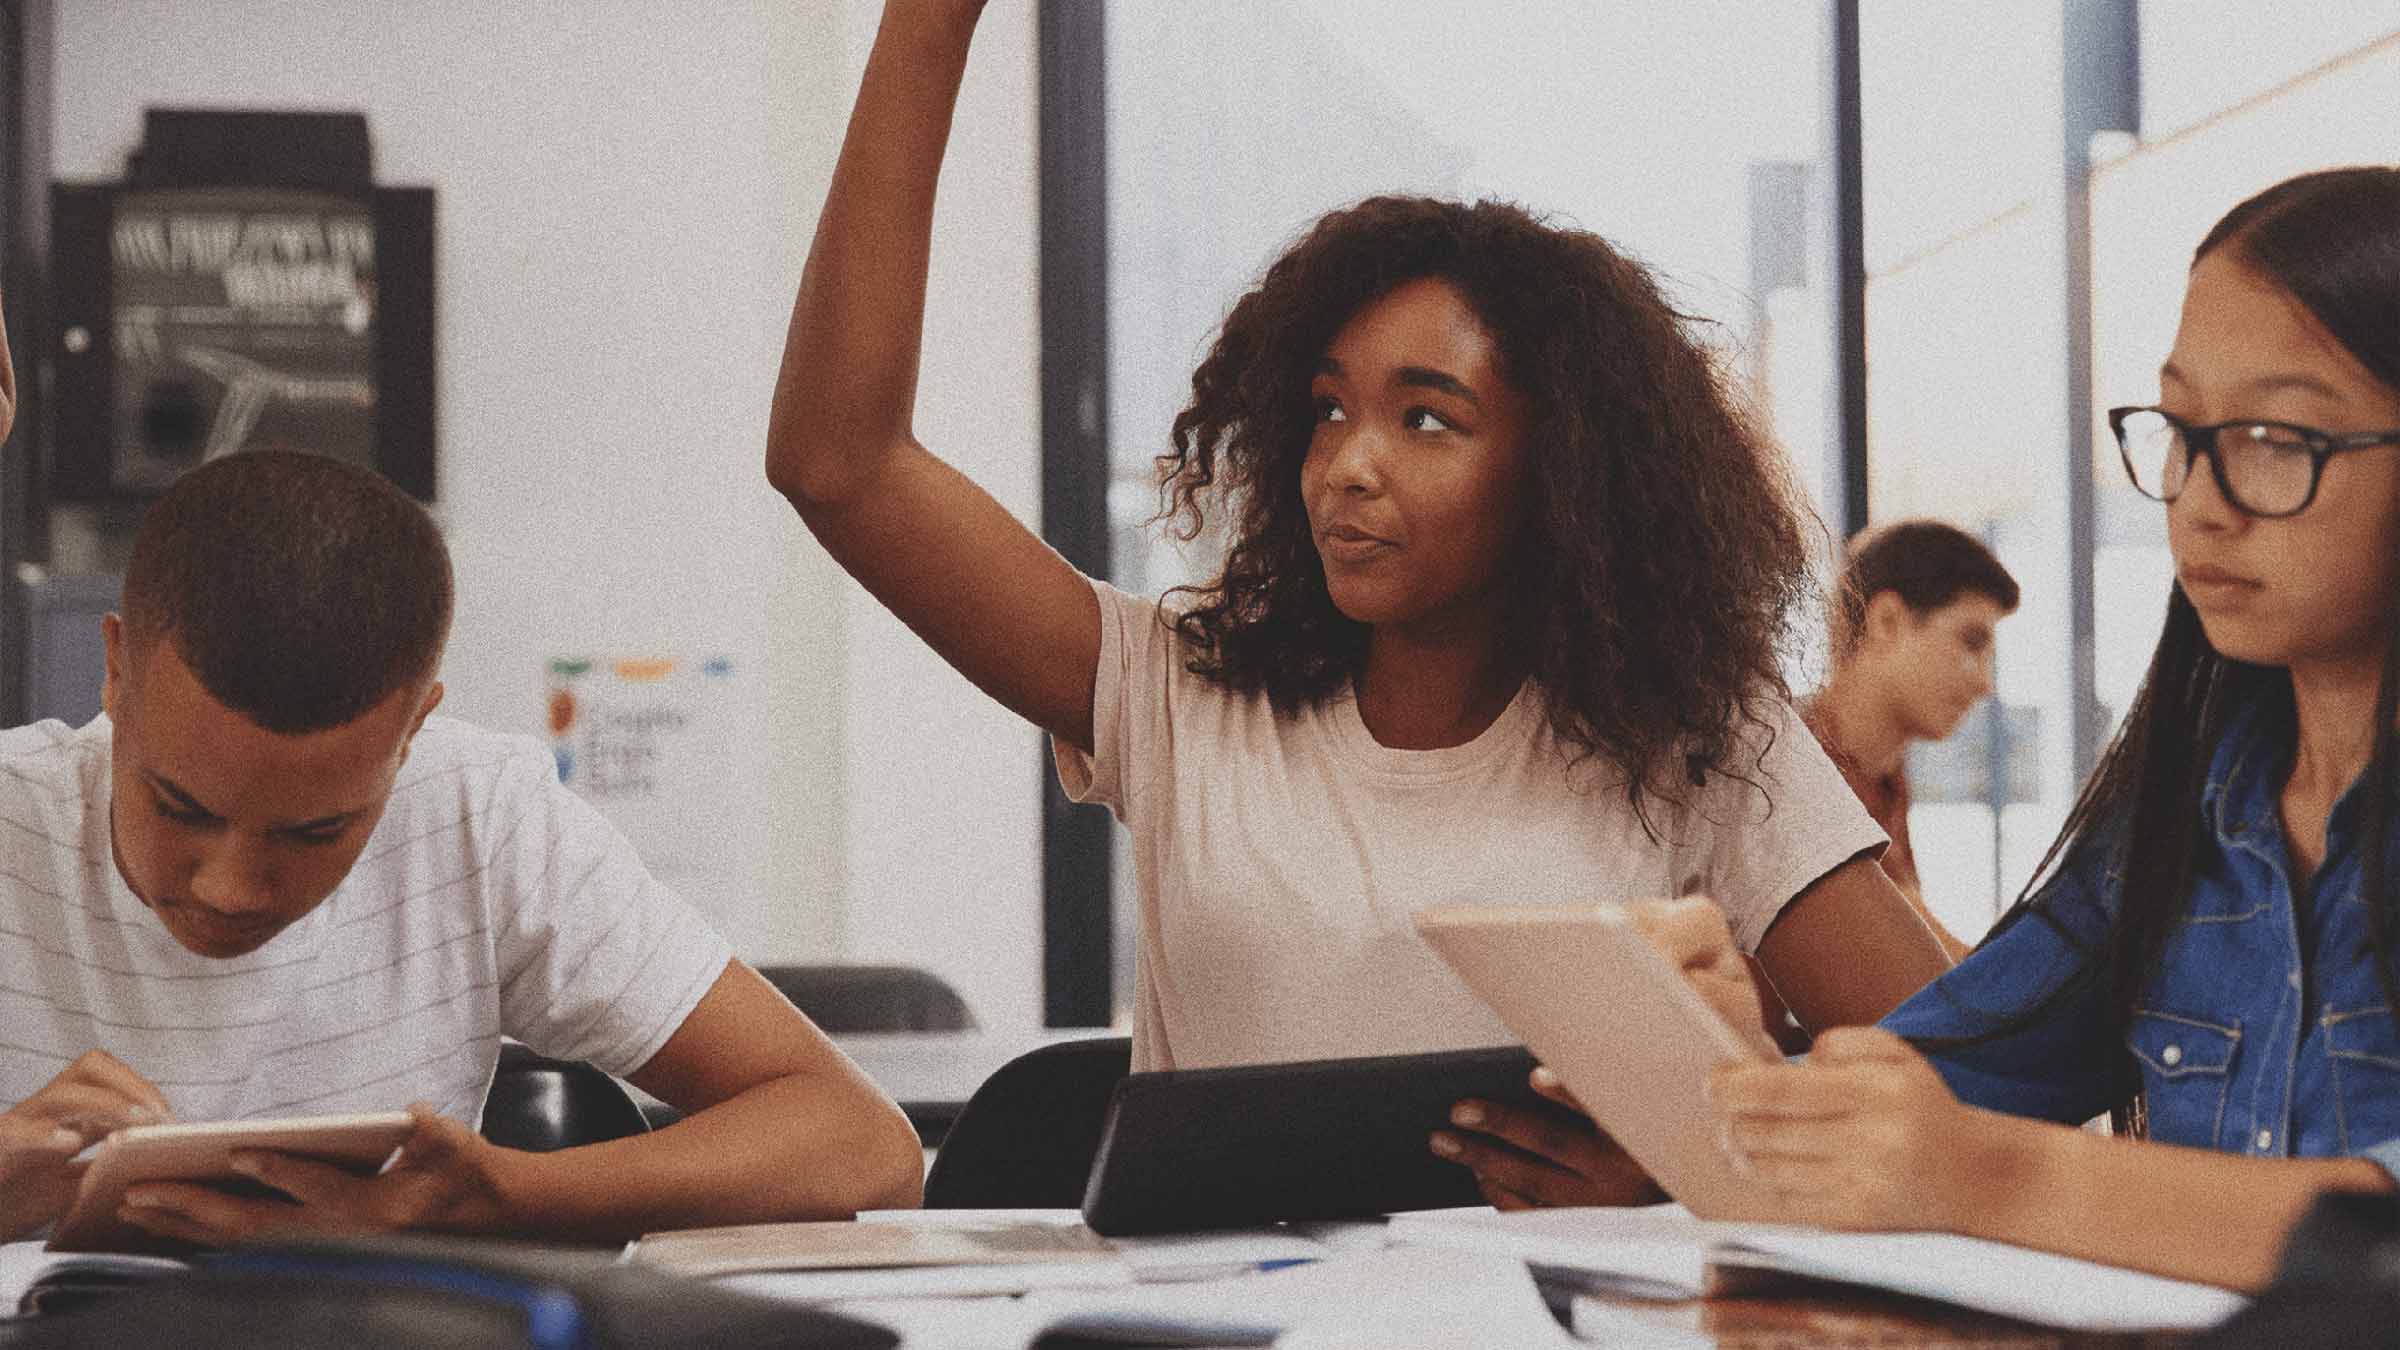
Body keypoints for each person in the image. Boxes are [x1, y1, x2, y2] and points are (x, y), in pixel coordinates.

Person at [769, 0, 1950, 1211]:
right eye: (1330, 408)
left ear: (1562, 475)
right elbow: (840, 465)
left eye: (1426, 418)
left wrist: (1698, 1148)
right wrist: (929, 23)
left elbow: (1970, 1087)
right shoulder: (1179, 693)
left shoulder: (1696, 734)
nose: (1349, 462)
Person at [1651, 165, 2400, 1293]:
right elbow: (1941, 1081)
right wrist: (1730, 1057)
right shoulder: (2174, 814)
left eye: (2275, 437)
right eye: (2183, 428)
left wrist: (1997, 1177)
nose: (2198, 499)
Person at [0, 448, 923, 1248]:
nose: (235, 887)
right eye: (180, 808)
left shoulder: (477, 812)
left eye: (317, 830)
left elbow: (865, 1151)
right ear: (115, 671)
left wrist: (502, 1197)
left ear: (411, 732)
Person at [1803, 520, 2020, 953]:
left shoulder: (1883, 775)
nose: (1985, 683)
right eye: (1972, 642)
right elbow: (1929, 968)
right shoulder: (1800, 773)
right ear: (1887, 621)